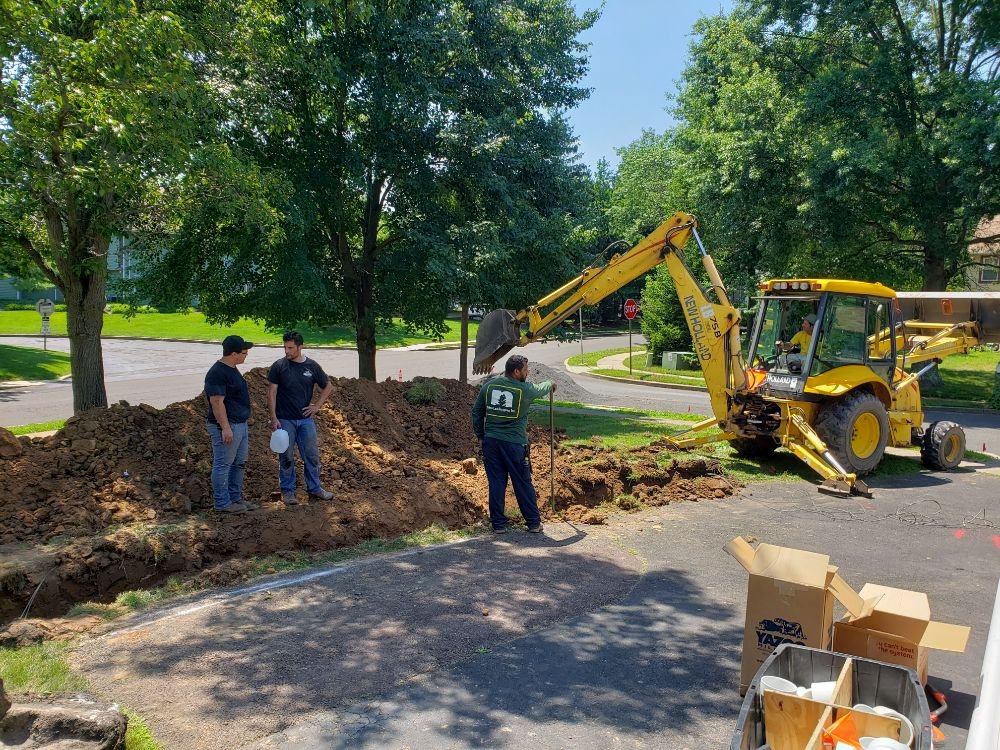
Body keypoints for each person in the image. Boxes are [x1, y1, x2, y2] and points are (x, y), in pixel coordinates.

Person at [471, 354, 556, 534]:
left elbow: (477, 412)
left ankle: (498, 525)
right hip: (514, 444)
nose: (527, 372)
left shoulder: (489, 386)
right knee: (522, 482)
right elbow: (541, 388)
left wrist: (481, 435)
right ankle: (533, 523)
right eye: (526, 369)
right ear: (516, 371)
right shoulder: (525, 390)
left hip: (491, 443)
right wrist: (550, 383)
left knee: (496, 482)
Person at [268, 331, 335, 505]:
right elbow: (272, 392)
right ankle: (288, 492)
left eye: (290, 348)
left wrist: (317, 406)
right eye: (285, 347)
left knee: (311, 455)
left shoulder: (311, 366)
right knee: (286, 457)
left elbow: (328, 386)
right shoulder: (279, 366)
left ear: (300, 347)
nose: (287, 351)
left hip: (306, 421)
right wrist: (274, 417)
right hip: (285, 420)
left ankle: (315, 489)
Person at [205, 335, 256, 514]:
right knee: (223, 464)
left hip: (240, 423)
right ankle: (222, 503)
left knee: (239, 463)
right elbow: (217, 402)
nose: (246, 355)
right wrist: (225, 428)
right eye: (244, 352)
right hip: (227, 426)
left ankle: (235, 499)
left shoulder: (232, 369)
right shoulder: (218, 373)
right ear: (234, 354)